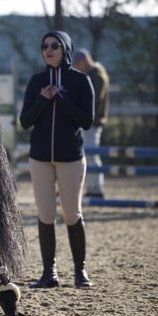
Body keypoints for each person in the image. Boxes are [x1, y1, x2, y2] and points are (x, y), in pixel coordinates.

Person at [19, 31, 95, 289]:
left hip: (70, 158)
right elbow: (25, 121)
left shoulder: (81, 81)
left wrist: (60, 98)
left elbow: (86, 121)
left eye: (54, 45)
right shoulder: (36, 81)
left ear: (65, 49)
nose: (48, 50)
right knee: (46, 214)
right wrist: (43, 99)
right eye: (44, 46)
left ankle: (79, 272)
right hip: (40, 158)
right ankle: (49, 274)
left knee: (72, 214)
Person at [73, 49, 110, 198]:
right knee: (89, 154)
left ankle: (96, 188)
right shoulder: (96, 74)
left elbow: (91, 100)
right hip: (91, 120)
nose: (76, 68)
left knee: (92, 154)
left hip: (92, 122)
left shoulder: (96, 76)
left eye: (77, 65)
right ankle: (93, 187)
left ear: (83, 62)